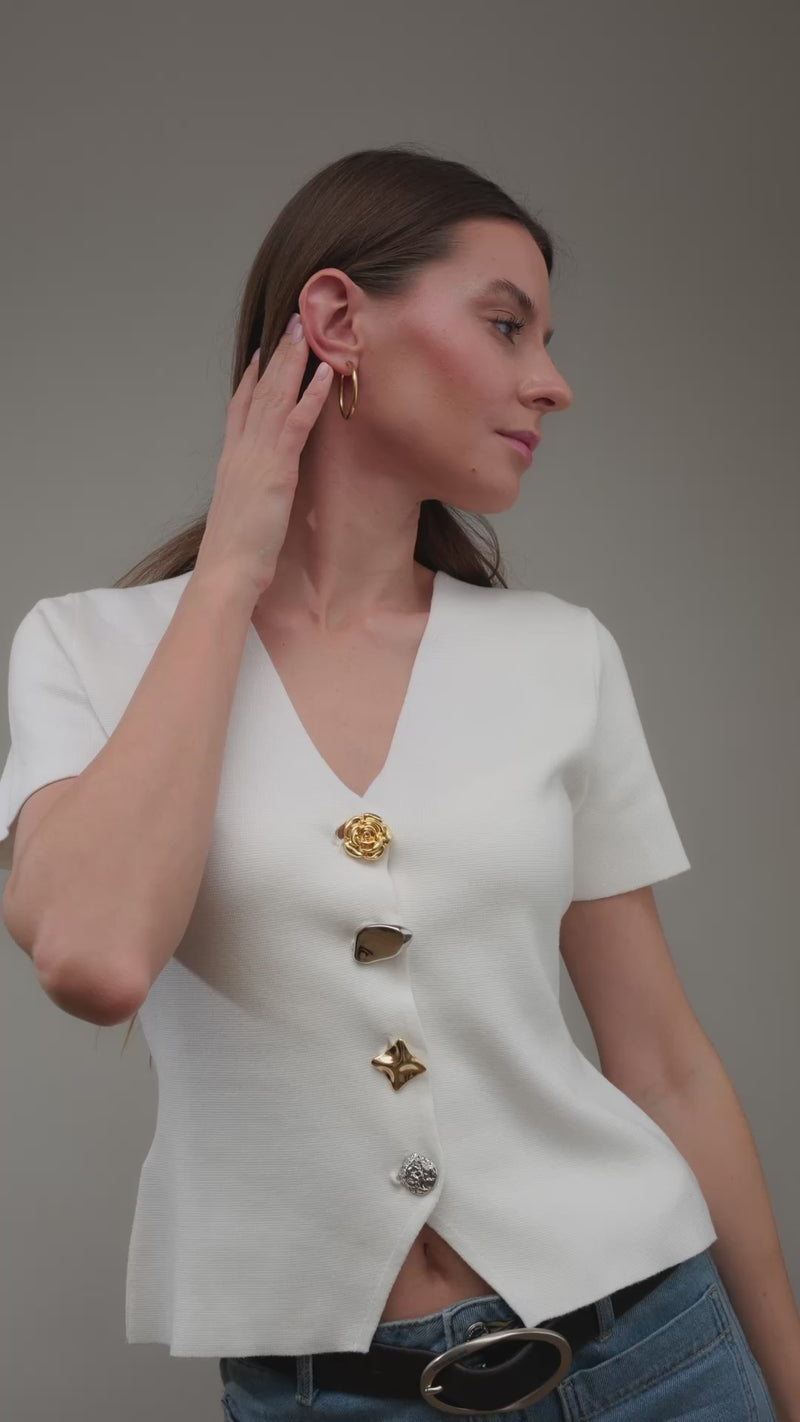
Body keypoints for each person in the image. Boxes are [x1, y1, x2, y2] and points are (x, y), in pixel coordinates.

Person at [0, 147, 785, 1420]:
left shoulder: (560, 655)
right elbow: (93, 958)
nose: (553, 381)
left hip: (659, 1354)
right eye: (506, 325)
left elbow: (662, 1067)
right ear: (337, 320)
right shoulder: (85, 650)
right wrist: (229, 571)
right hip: (333, 1397)